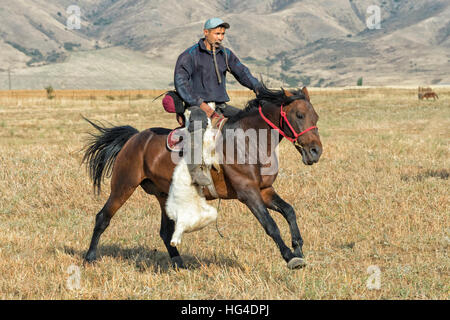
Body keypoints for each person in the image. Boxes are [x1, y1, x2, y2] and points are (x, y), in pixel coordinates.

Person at [174, 17, 262, 186]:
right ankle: (195, 171)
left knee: (246, 120)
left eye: (222, 34)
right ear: (205, 32)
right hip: (195, 106)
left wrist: (258, 88)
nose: (220, 37)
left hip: (220, 105)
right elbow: (181, 83)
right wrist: (201, 104)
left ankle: (243, 166)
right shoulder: (189, 55)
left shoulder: (226, 54)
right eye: (217, 33)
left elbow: (243, 73)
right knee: (198, 124)